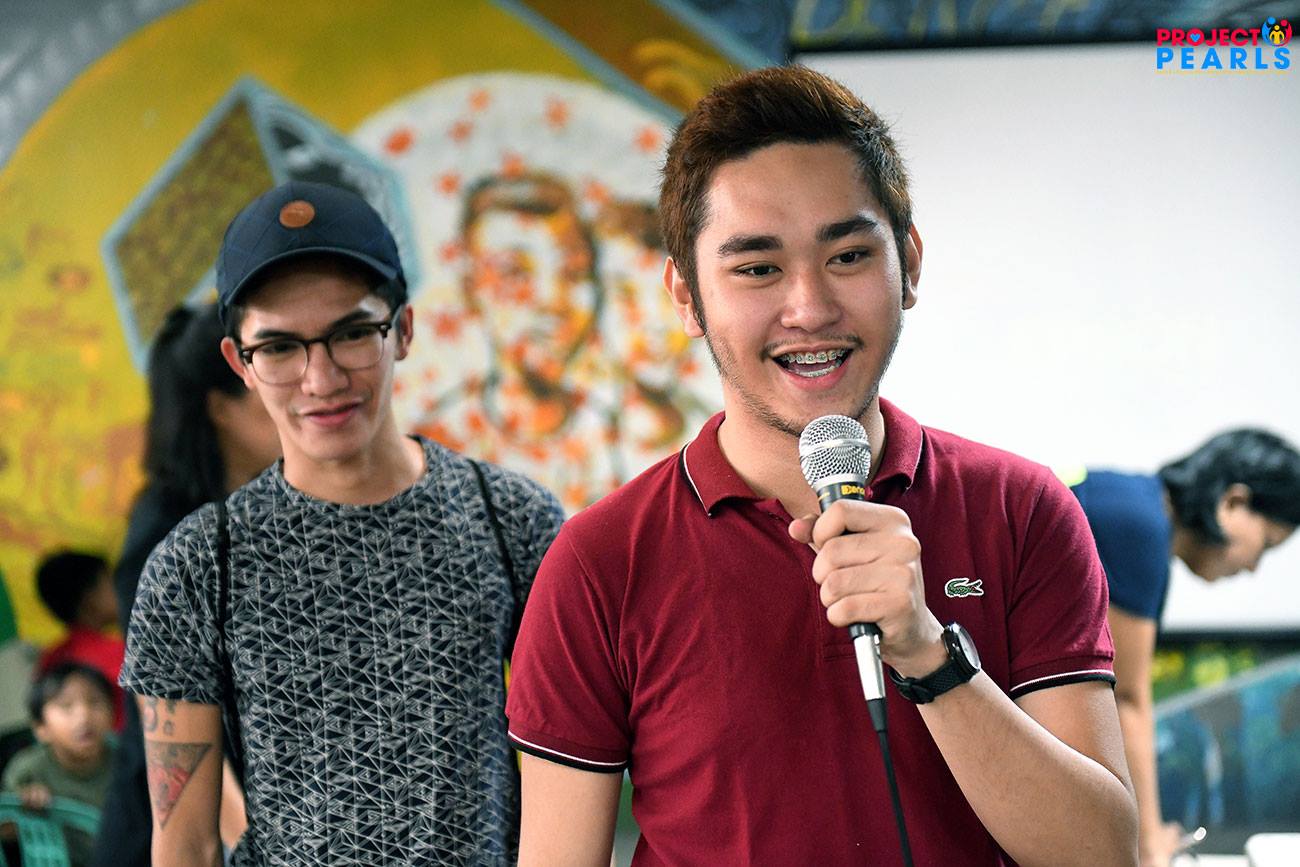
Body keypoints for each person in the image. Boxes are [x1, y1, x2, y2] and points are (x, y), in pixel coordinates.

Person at [504, 65, 1139, 866]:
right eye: (757, 268)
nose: (809, 308)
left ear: (909, 263)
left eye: (847, 255)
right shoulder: (601, 560)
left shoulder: (1021, 508)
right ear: (686, 295)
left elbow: (1102, 854)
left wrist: (928, 654)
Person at [119, 180, 565, 866]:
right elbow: (185, 842)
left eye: (353, 334)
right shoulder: (197, 565)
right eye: (280, 347)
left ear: (403, 330)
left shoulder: (513, 520)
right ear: (240, 363)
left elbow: (568, 788)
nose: (321, 379)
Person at [93, 303, 282, 867]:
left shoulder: (268, 508)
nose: (296, 404)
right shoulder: (165, 534)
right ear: (221, 408)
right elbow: (182, 729)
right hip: (179, 830)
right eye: (268, 390)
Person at [1070, 429, 1300, 867]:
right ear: (1232, 502)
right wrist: (1149, 846)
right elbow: (1125, 699)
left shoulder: (1133, 505)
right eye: (1266, 544)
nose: (1254, 568)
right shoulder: (1140, 526)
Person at [3, 662, 117, 866]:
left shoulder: (128, 760)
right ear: (40, 727)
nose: (84, 716)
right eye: (66, 706)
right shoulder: (29, 770)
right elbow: (5, 831)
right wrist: (25, 808)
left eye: (94, 702)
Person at [34, 551, 124, 730]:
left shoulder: (48, 658)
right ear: (90, 597)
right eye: (111, 582)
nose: (120, 589)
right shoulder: (118, 653)